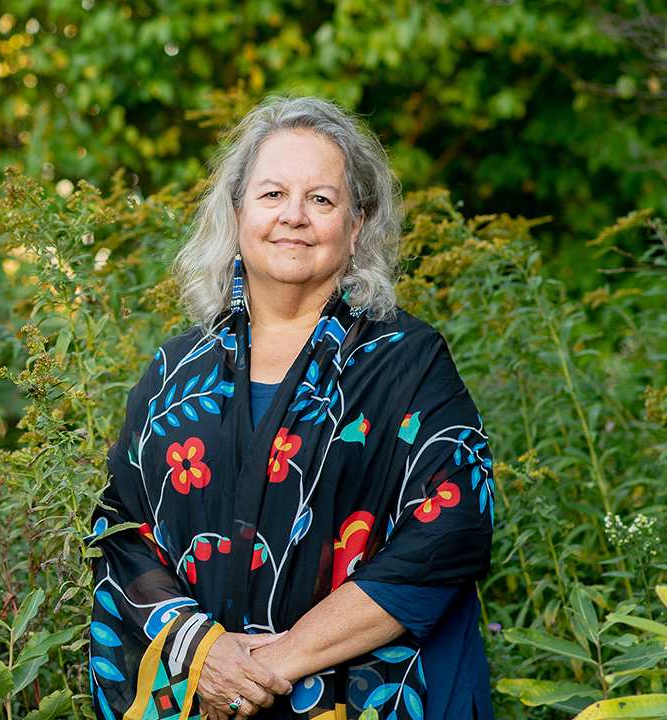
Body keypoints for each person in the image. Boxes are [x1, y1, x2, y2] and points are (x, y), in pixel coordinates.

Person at [88, 96, 495, 720]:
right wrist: (205, 655)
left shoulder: (407, 364)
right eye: (272, 194)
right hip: (205, 697)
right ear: (236, 213)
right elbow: (121, 534)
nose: (294, 217)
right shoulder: (174, 373)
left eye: (322, 200)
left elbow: (450, 531)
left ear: (356, 227)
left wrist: (277, 663)